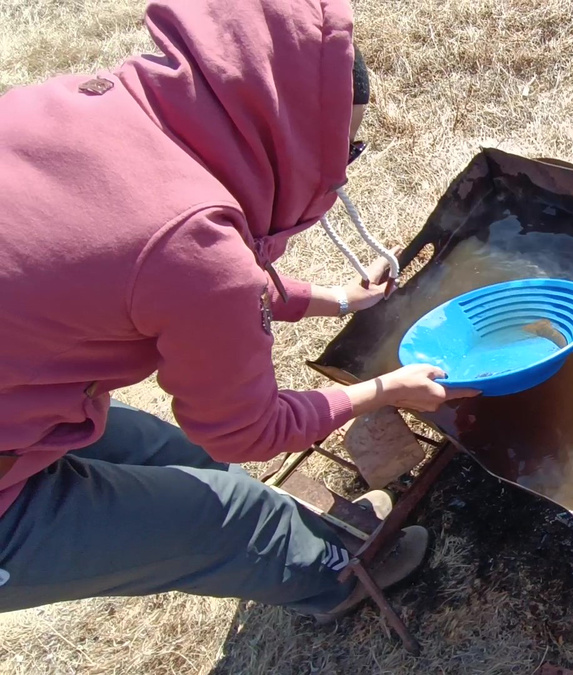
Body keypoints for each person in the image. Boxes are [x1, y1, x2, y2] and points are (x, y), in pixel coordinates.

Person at [0, 0, 477, 619]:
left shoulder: (83, 109)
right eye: (343, 152)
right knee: (228, 520)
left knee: (176, 455)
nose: (340, 172)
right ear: (292, 139)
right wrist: (386, 389)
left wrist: (336, 299)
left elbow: (164, 276)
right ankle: (335, 576)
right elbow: (247, 428)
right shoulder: (191, 246)